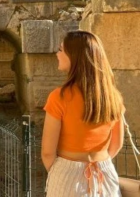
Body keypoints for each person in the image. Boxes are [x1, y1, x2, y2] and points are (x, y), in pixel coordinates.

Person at [41, 30, 125, 197]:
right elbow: (116, 145)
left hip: (68, 174)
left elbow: (47, 152)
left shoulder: (60, 97)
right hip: (104, 172)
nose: (57, 54)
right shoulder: (113, 96)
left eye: (61, 49)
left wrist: (61, 172)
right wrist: (99, 163)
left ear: (74, 56)